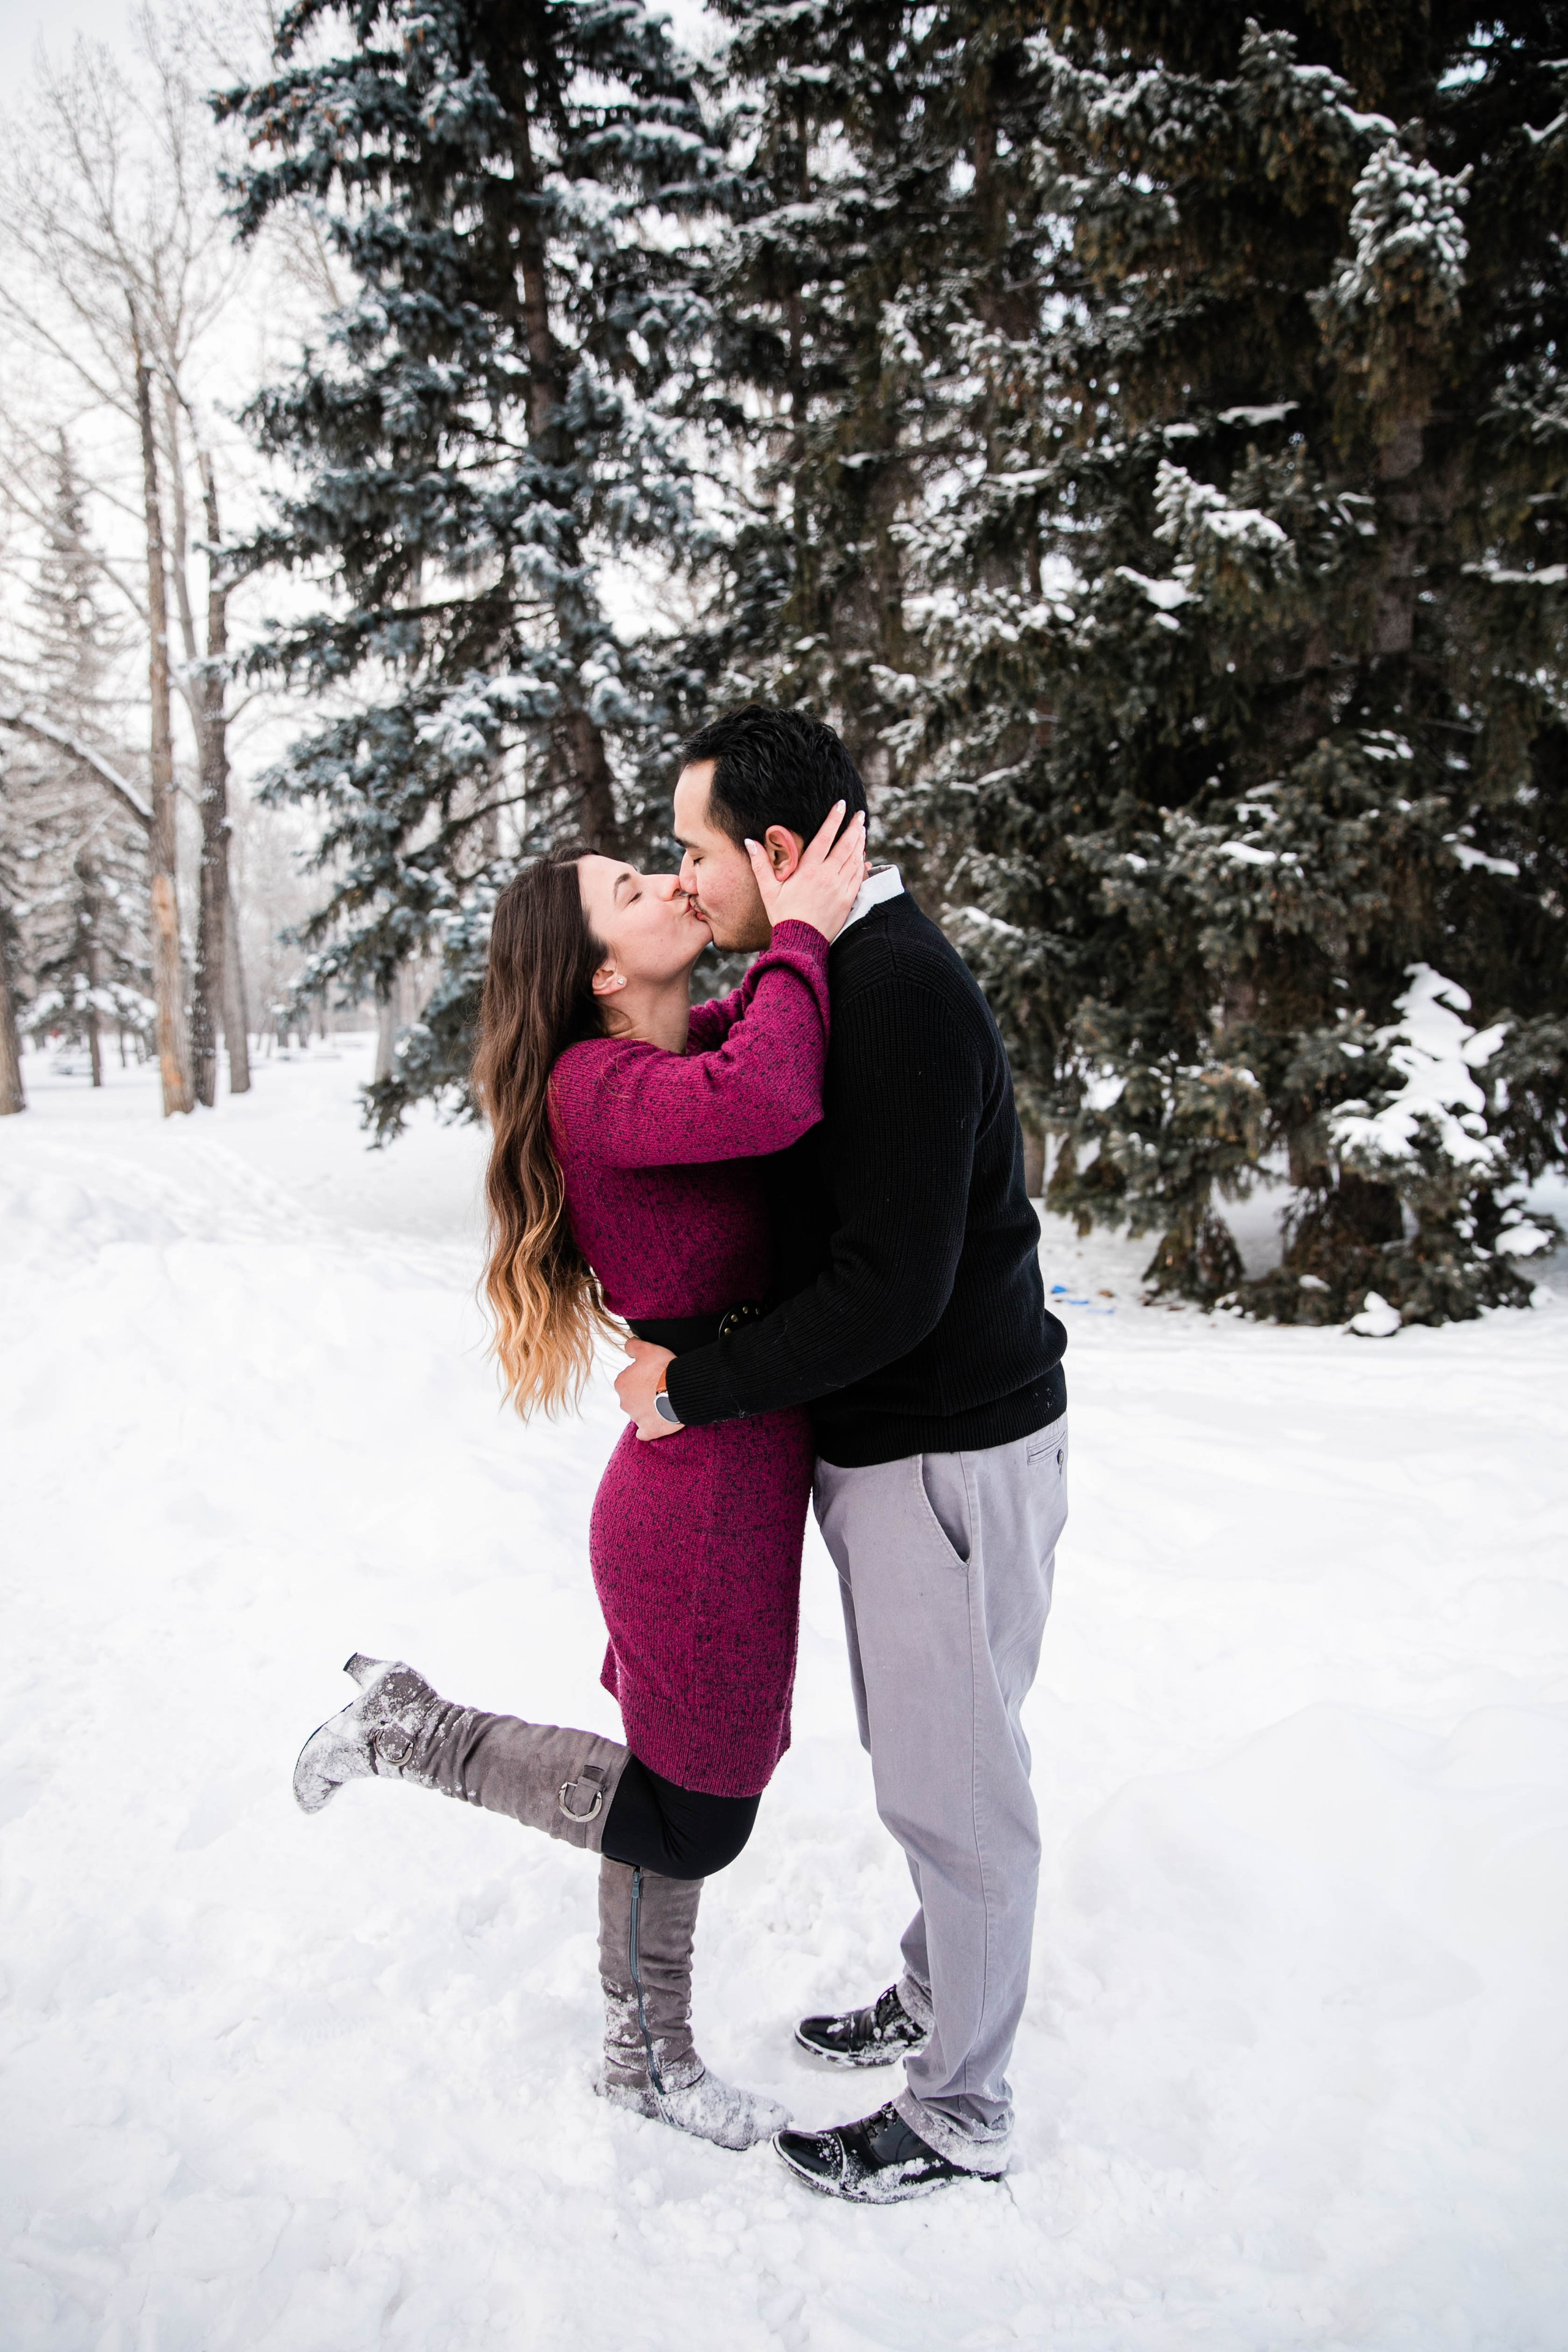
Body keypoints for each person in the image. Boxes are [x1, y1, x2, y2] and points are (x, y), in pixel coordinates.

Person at [290, 802, 867, 2151]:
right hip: (697, 1508)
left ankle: (641, 2057)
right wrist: (799, 934)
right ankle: (413, 1731)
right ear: (603, 969)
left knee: (679, 1787)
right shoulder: (593, 1087)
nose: (670, 882)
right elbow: (772, 1090)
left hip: (714, 1476)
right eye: (633, 886)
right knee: (695, 1815)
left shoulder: (670, 1055)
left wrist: (800, 944)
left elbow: (765, 1045)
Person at [617, 705, 1069, 2203]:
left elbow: (889, 1290)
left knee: (955, 1789)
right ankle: (941, 1999)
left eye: (694, 853)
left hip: (944, 1451)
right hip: (918, 1451)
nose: (686, 884)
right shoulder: (842, 973)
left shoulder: (892, 992)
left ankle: (959, 2110)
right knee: (939, 1758)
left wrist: (697, 1390)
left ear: (776, 849)